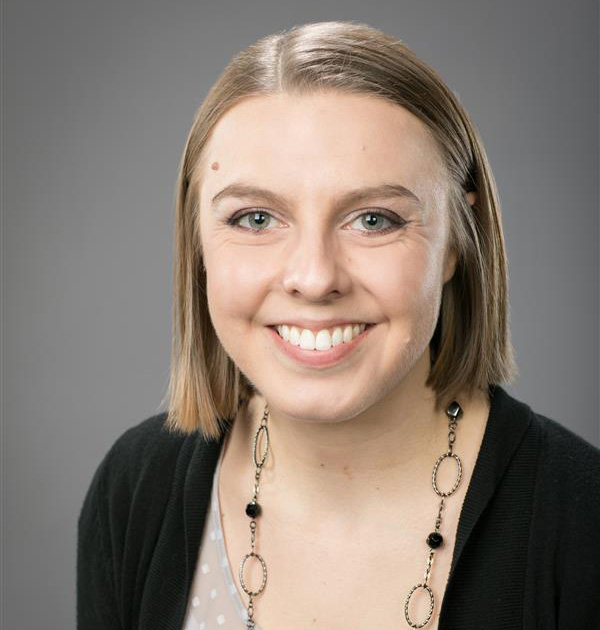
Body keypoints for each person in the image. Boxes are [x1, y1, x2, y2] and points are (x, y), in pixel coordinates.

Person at [76, 20, 600, 630]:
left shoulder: (583, 525)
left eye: (374, 220)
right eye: (254, 218)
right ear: (197, 244)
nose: (315, 277)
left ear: (460, 239)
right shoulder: (135, 488)